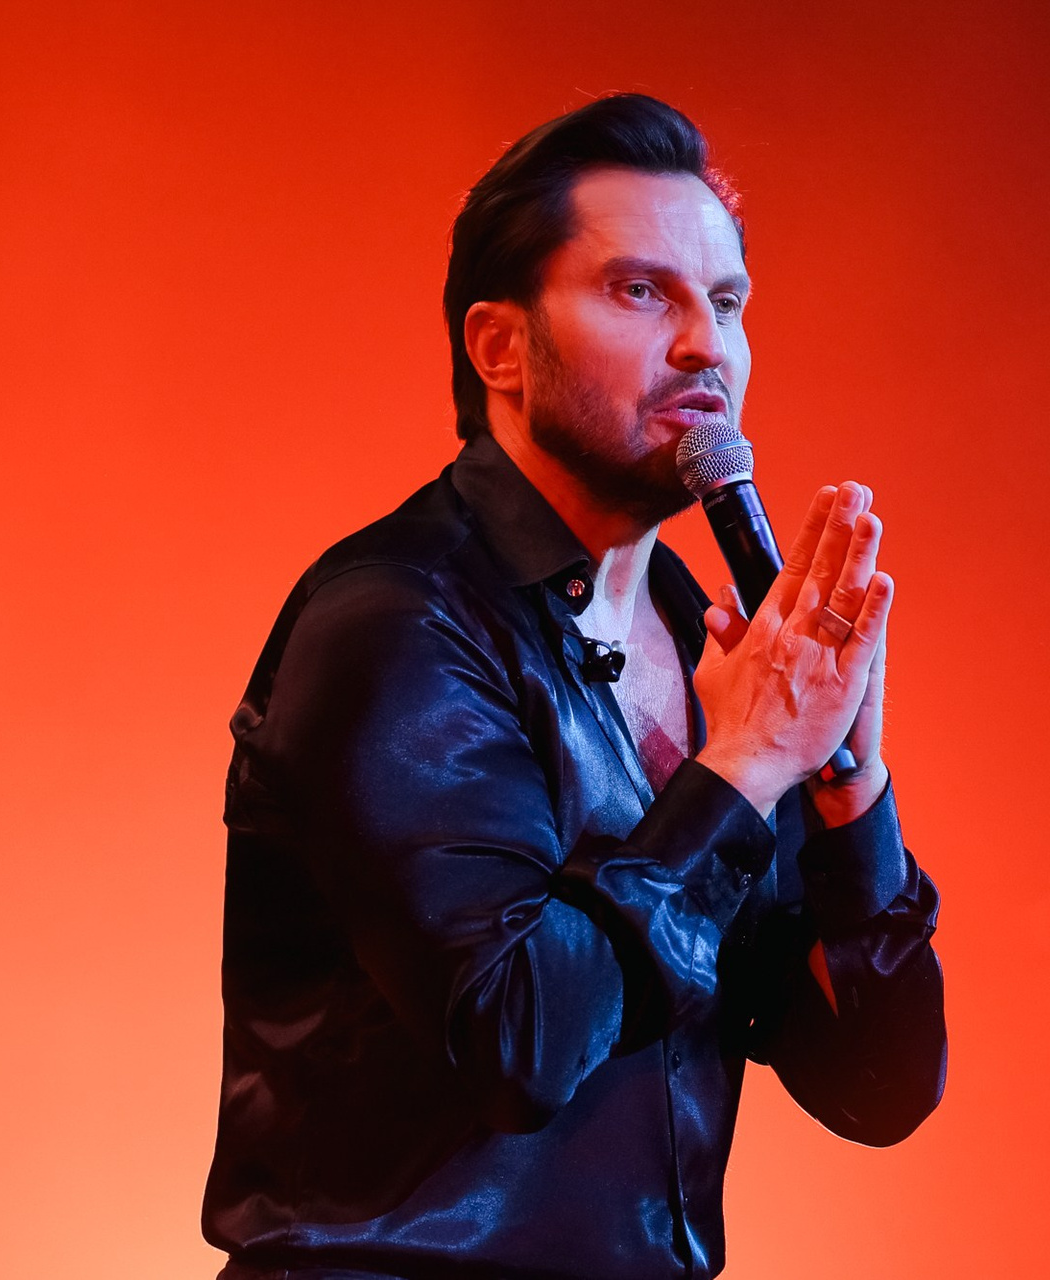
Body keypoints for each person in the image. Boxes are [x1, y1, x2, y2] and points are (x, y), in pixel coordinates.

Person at [202, 93, 947, 1280]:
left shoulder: (698, 639)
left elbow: (879, 1085)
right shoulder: (397, 621)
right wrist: (741, 766)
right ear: (499, 347)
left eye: (727, 302)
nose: (704, 344)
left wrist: (847, 787)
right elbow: (519, 1040)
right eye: (641, 291)